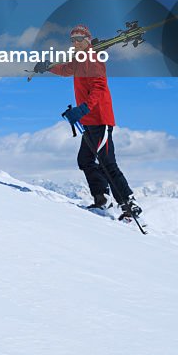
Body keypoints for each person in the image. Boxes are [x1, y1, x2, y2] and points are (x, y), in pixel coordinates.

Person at [33, 24, 141, 219]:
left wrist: (84, 108)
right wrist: (48, 67)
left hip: (100, 118)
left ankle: (129, 204)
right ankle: (102, 199)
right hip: (88, 120)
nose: (75, 43)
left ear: (88, 40)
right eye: (73, 39)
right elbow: (66, 70)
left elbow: (100, 87)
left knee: (107, 162)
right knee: (85, 160)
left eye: (79, 39)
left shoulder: (94, 58)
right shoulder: (79, 59)